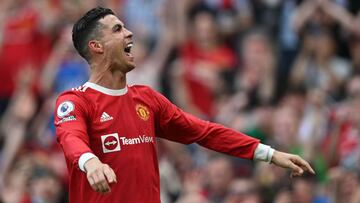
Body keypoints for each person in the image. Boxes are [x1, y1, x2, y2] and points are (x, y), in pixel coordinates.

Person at [54, 7, 315, 203]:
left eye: (125, 26)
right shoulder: (75, 101)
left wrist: (269, 154)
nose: (129, 32)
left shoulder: (146, 98)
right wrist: (91, 163)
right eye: (117, 29)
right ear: (96, 46)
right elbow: (71, 139)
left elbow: (206, 132)